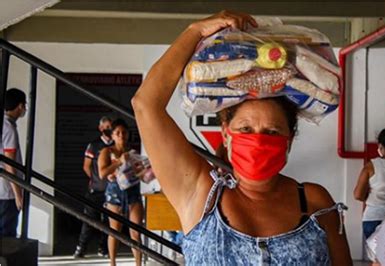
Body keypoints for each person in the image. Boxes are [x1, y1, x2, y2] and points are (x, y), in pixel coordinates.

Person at [132, 11, 354, 265]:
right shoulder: (199, 193)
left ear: (289, 139)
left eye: (272, 132)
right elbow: (145, 104)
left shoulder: (315, 201)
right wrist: (195, 31)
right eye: (246, 130)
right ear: (226, 133)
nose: (258, 141)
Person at [98, 118, 143, 266]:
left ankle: (138, 263)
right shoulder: (107, 151)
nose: (121, 135)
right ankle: (112, 263)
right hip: (115, 193)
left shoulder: (133, 152)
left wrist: (139, 170)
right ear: (112, 136)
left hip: (133, 192)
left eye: (124, 132)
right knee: (115, 230)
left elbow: (141, 172)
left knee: (136, 231)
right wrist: (118, 162)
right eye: (117, 133)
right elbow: (102, 173)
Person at [73, 116, 113, 258]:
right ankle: (81, 248)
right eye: (107, 127)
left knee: (108, 221)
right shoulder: (94, 145)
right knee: (89, 220)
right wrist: (96, 179)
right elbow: (86, 166)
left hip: (111, 191)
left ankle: (103, 248)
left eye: (111, 126)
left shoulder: (115, 145)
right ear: (101, 129)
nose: (110, 130)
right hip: (95, 190)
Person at [0, 88, 26, 237]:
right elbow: (10, 163)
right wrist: (18, 194)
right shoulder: (8, 128)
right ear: (20, 106)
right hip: (7, 191)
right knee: (7, 234)